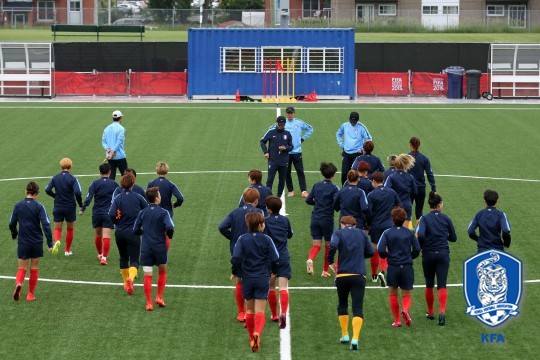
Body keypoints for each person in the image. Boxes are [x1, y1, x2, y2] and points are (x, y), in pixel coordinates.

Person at [231, 211, 279, 353]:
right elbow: (276, 258)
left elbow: (236, 258)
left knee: (249, 310)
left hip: (247, 278)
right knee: (260, 312)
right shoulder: (267, 239)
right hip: (263, 278)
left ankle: (252, 338)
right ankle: (258, 332)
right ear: (260, 225)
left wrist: (235, 270)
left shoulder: (242, 239)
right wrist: (273, 271)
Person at [327, 216, 374, 351]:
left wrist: (330, 260)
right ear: (354, 225)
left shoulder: (338, 233)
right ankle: (355, 338)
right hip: (359, 275)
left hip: (342, 274)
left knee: (342, 303)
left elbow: (333, 245)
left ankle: (345, 334)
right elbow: (371, 251)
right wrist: (359, 255)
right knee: (357, 307)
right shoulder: (361, 233)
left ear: (342, 224)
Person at [218, 188, 262, 322]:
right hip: (255, 250)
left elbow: (221, 227)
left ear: (243, 199)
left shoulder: (235, 212)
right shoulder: (259, 213)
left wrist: (233, 238)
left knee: (240, 280)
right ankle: (253, 312)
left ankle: (241, 312)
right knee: (255, 279)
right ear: (256, 201)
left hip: (238, 249)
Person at [416, 191, 457, 326]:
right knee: (442, 284)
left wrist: (422, 246)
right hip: (443, 254)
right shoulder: (446, 218)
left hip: (428, 254)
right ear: (439, 204)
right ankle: (442, 311)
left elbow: (420, 234)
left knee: (429, 283)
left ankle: (430, 311)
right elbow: (454, 238)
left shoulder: (424, 218)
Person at [9, 182, 53, 302]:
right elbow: (46, 224)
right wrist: (50, 243)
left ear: (26, 191)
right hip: (36, 242)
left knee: (22, 267)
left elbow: (11, 223)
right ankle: (30, 294)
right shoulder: (39, 206)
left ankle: (19, 284)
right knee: (34, 267)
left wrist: (14, 234)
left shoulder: (18, 206)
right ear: (37, 194)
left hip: (23, 241)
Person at [377, 207, 421, 327]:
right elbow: (417, 249)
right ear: (404, 219)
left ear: (392, 219)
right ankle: (405, 310)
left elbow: (380, 249)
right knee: (406, 294)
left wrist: (388, 256)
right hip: (406, 266)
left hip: (393, 267)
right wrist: (410, 257)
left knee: (393, 294)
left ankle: (397, 320)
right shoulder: (410, 233)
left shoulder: (387, 233)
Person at [133, 187, 174, 311]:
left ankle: (149, 303)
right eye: (160, 195)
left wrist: (145, 233)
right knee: (162, 271)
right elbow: (170, 228)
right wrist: (168, 235)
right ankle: (159, 297)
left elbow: (135, 229)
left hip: (146, 248)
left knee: (147, 275)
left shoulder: (142, 212)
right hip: (160, 247)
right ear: (157, 198)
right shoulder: (163, 212)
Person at [109, 173, 148, 295]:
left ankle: (126, 284)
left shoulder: (118, 198)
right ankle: (130, 278)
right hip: (133, 233)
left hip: (120, 232)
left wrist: (117, 222)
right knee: (135, 260)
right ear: (133, 183)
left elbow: (111, 214)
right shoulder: (138, 197)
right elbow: (146, 211)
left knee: (123, 258)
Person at [79, 163, 118, 265]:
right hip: (109, 213)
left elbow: (89, 197)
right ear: (110, 172)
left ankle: (100, 253)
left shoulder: (94, 183)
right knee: (106, 237)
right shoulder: (114, 184)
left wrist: (82, 208)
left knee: (98, 235)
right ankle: (104, 258)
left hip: (96, 213)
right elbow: (119, 198)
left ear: (99, 172)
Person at [366, 171, 400, 287]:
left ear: (374, 182)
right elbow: (398, 206)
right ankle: (383, 271)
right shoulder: (392, 192)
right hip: (389, 225)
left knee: (375, 249)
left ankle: (374, 275)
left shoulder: (371, 195)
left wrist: (368, 224)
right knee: (386, 250)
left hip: (376, 225)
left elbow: (369, 212)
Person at [306, 162, 340, 278]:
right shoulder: (334, 188)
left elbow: (308, 200)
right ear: (333, 175)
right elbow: (337, 203)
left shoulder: (316, 185)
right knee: (328, 246)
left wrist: (318, 203)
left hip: (315, 218)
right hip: (327, 220)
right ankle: (324, 270)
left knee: (316, 245)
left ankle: (310, 259)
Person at [264, 196, 293, 328]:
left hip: (269, 258)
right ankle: (283, 313)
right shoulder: (285, 220)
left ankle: (274, 314)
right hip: (283, 256)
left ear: (268, 209)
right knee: (283, 287)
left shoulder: (264, 221)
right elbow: (290, 235)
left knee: (271, 287)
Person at [45, 157, 83, 256]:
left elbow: (47, 189)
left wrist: (55, 196)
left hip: (58, 205)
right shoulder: (73, 178)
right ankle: (67, 250)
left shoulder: (55, 177)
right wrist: (80, 204)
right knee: (70, 229)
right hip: (70, 206)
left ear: (61, 167)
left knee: (57, 228)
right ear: (70, 167)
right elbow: (78, 192)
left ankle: (57, 240)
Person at [147, 162, 184, 251]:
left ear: (157, 172)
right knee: (166, 234)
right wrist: (175, 204)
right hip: (167, 212)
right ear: (167, 172)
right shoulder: (170, 184)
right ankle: (164, 254)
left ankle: (153, 251)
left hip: (153, 211)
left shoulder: (151, 183)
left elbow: (147, 197)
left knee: (154, 232)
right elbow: (180, 198)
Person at [280, 106, 314, 198]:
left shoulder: (299, 123)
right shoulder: (283, 123)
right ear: (286, 114)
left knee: (300, 171)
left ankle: (303, 191)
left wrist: (302, 139)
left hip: (297, 152)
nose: (290, 115)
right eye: (288, 113)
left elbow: (310, 129)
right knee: (287, 172)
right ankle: (291, 191)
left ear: (294, 113)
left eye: (291, 113)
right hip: (286, 152)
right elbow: (274, 130)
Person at [260, 115, 293, 197]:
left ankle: (279, 196)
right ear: (276, 123)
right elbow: (262, 141)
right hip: (273, 160)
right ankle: (268, 196)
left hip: (283, 161)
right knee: (270, 180)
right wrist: (266, 152)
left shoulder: (287, 133)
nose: (281, 126)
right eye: (279, 125)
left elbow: (291, 146)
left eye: (282, 125)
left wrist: (285, 148)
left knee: (282, 180)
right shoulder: (271, 132)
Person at [336, 111, 372, 186]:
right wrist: (341, 145)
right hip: (346, 153)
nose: (353, 123)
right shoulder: (344, 126)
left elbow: (369, 139)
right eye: (351, 121)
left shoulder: (362, 127)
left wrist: (362, 149)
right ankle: (344, 189)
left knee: (356, 174)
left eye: (354, 121)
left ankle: (356, 189)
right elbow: (338, 134)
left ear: (357, 120)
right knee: (344, 173)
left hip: (357, 154)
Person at [408, 137, 436, 228]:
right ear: (419, 145)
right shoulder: (424, 158)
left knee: (408, 209)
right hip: (420, 188)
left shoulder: (406, 158)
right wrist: (433, 188)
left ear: (410, 145)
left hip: (410, 188)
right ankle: (418, 231)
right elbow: (429, 174)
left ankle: (409, 229)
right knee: (419, 210)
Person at [383, 154, 417, 230]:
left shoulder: (391, 177)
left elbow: (386, 190)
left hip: (396, 206)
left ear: (395, 165)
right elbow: (415, 192)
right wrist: (409, 200)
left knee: (395, 229)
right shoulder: (410, 177)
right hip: (407, 205)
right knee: (405, 230)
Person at [102, 110, 127, 180]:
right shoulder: (121, 129)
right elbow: (119, 142)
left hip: (110, 157)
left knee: (111, 177)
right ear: (121, 118)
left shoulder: (106, 128)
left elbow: (103, 142)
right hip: (120, 156)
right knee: (126, 177)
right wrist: (113, 152)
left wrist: (109, 151)